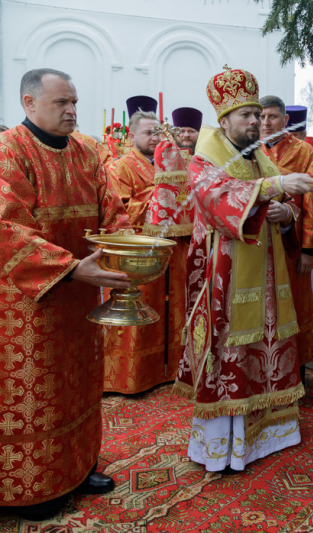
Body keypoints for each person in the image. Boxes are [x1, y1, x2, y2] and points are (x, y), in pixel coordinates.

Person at [174, 65, 313, 472]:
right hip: (227, 281)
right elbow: (219, 202)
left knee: (269, 349)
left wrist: (284, 211)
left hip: (270, 282)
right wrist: (275, 190)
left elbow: (284, 209)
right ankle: (226, 446)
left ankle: (270, 434)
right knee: (231, 354)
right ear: (224, 120)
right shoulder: (205, 159)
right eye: (246, 116)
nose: (255, 122)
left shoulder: (260, 159)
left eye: (258, 115)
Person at [0, 68, 130, 520]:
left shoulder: (88, 152)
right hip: (26, 305)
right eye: (61, 103)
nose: (73, 111)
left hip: (81, 295)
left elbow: (113, 210)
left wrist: (128, 251)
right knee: (36, 393)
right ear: (29, 103)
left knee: (78, 387)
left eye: (74, 102)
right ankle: (31, 484)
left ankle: (77, 467)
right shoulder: (8, 151)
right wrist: (72, 268)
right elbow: (7, 228)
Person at [102, 97, 188, 394]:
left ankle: (173, 368)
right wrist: (160, 194)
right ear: (132, 136)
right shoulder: (120, 168)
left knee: (175, 308)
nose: (156, 138)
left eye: (160, 133)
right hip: (139, 252)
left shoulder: (176, 164)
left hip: (174, 250)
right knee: (138, 309)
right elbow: (118, 211)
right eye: (149, 133)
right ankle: (134, 377)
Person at [260, 98, 313, 376]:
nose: (266, 123)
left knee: (294, 308)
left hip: (292, 248)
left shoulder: (305, 153)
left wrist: (309, 252)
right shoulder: (252, 153)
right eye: (262, 116)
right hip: (260, 247)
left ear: (285, 120)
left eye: (273, 117)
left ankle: (296, 372)